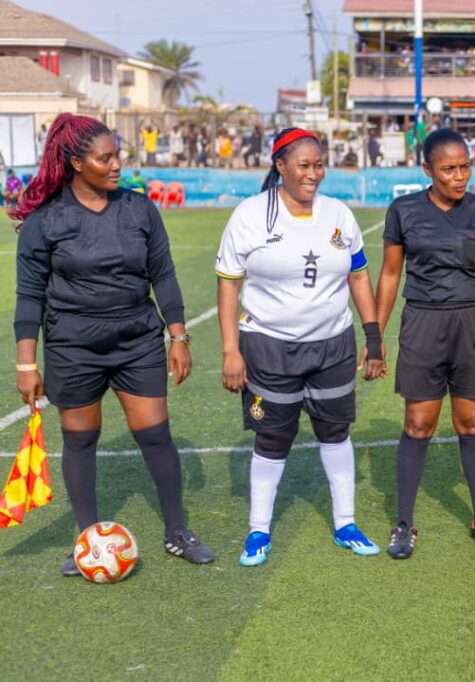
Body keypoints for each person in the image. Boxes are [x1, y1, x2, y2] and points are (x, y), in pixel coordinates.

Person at [11, 113, 214, 576]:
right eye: (105, 158)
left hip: (137, 340)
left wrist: (178, 336)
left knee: (155, 434)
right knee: (80, 440)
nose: (117, 164)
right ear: (76, 163)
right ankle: (87, 541)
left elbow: (163, 274)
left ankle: (177, 532)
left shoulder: (139, 209)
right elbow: (29, 296)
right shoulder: (46, 221)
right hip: (73, 347)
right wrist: (26, 364)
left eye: (118, 155)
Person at [216, 127, 384, 566]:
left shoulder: (338, 214)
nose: (314, 174)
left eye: (319, 164)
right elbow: (228, 285)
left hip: (333, 344)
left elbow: (358, 275)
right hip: (268, 346)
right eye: (304, 165)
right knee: (273, 436)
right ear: (280, 166)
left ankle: (345, 523)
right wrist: (231, 350)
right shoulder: (251, 215)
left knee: (335, 431)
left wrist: (373, 337)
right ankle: (258, 530)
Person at [375, 128, 475, 559]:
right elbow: (390, 275)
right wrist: (374, 335)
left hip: (472, 325)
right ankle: (404, 524)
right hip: (422, 323)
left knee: (472, 422)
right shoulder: (403, 210)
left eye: (465, 167)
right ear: (427, 170)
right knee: (418, 423)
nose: (459, 177)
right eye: (448, 169)